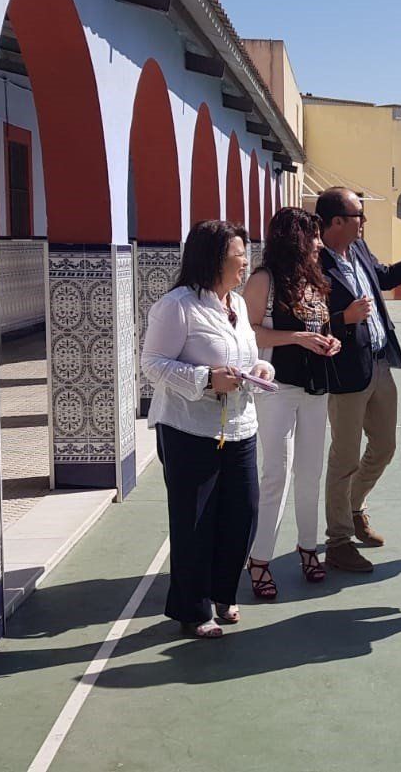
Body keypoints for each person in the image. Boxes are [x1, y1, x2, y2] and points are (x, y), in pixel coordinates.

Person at [140, 220, 274, 638]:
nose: (245, 265)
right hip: (188, 430)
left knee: (244, 513)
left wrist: (260, 369)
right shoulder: (177, 306)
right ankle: (193, 609)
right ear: (214, 259)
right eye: (239, 257)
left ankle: (222, 591)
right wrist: (204, 379)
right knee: (194, 521)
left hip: (240, 426)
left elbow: (247, 353)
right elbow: (152, 364)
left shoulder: (234, 304)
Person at [317, 187, 401, 572]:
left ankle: (354, 507)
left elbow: (388, 276)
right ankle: (339, 540)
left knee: (385, 446)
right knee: (343, 458)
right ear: (338, 221)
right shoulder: (314, 265)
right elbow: (304, 321)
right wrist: (344, 319)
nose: (365, 222)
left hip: (379, 364)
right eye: (359, 215)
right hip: (345, 373)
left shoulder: (358, 250)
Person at [243, 208, 342, 599]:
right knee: (276, 474)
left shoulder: (316, 280)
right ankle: (260, 558)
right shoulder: (263, 280)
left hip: (315, 388)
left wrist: (331, 342)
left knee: (310, 473)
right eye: (313, 237)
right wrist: (297, 339)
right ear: (296, 240)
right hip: (277, 387)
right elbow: (249, 333)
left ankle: (307, 547)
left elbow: (323, 325)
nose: (319, 244)